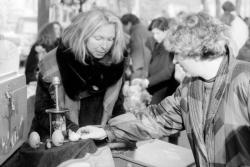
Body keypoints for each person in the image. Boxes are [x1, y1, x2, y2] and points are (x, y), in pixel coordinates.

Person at [77, 12, 250, 166]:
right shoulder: (190, 87)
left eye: (178, 53)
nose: (174, 61)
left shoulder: (245, 80)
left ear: (196, 51)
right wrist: (106, 131)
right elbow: (157, 119)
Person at [30, 8, 127, 140]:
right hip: (60, 142)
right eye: (98, 38)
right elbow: (43, 111)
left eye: (110, 39)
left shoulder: (115, 65)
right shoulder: (53, 63)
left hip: (100, 141)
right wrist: (75, 131)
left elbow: (118, 108)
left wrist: (112, 132)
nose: (105, 45)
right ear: (84, 35)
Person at [121, 13, 152, 79]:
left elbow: (146, 51)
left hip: (140, 70)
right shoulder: (142, 29)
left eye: (123, 26)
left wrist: (144, 70)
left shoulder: (136, 33)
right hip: (145, 67)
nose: (123, 30)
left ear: (129, 24)